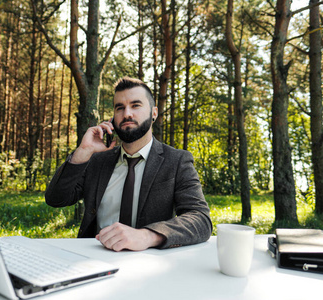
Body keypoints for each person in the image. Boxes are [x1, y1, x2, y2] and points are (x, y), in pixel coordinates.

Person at [45, 77, 212, 251]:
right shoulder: (97, 160)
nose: (127, 114)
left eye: (136, 105)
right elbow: (55, 199)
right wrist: (83, 151)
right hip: (93, 258)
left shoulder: (177, 161)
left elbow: (200, 219)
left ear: (154, 113)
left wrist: (147, 235)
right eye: (120, 108)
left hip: (148, 261)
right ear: (113, 117)